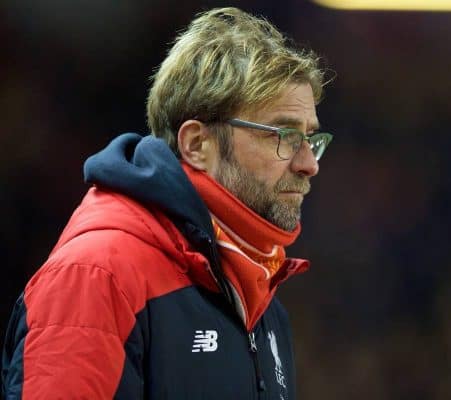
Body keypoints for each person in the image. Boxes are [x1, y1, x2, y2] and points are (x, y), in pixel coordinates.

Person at [1, 7, 332, 399]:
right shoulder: (98, 275)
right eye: (283, 135)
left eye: (310, 139)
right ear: (196, 144)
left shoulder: (264, 304)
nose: (308, 164)